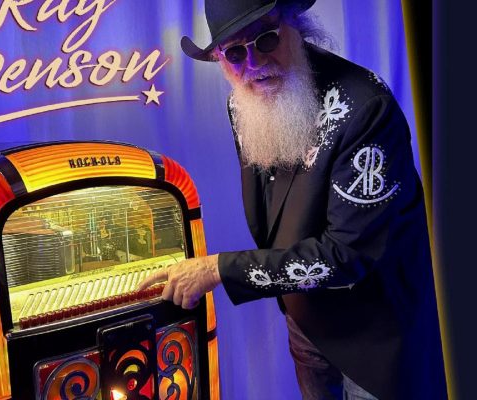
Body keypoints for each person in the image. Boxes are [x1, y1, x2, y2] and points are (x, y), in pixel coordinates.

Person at [138, 0, 447, 399]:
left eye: (266, 39)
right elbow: (276, 207)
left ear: (296, 27)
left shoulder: (365, 108)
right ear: (220, 60)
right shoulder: (240, 101)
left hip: (375, 334)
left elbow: (348, 255)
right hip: (304, 317)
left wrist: (219, 270)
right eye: (235, 53)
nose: (253, 63)